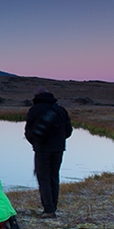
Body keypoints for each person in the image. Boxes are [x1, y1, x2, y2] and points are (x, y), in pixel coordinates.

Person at [24, 86, 73, 218]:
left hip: (41, 150)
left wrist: (36, 143)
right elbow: (68, 131)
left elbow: (28, 132)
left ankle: (48, 209)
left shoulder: (34, 110)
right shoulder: (60, 110)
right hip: (58, 149)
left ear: (36, 97)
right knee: (54, 176)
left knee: (43, 178)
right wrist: (58, 140)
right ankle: (53, 206)